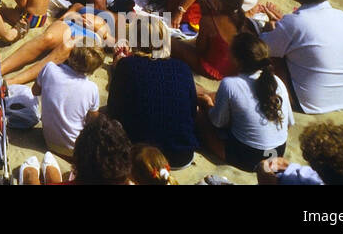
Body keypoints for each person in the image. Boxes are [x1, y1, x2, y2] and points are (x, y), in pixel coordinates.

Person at [260, 0, 343, 114]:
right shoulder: (342, 16)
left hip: (310, 101)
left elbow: (264, 48)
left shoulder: (295, 21)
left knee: (267, 60)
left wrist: (270, 26)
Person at [106, 14, 199, 168]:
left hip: (141, 156)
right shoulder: (183, 68)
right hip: (181, 155)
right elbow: (192, 111)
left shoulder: (128, 66)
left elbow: (114, 110)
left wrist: (118, 68)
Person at [197, 31, 292, 172]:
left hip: (249, 156)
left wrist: (208, 105)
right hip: (277, 152)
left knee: (199, 116)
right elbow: (289, 123)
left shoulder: (230, 84)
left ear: (236, 59)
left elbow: (217, 122)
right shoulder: (276, 82)